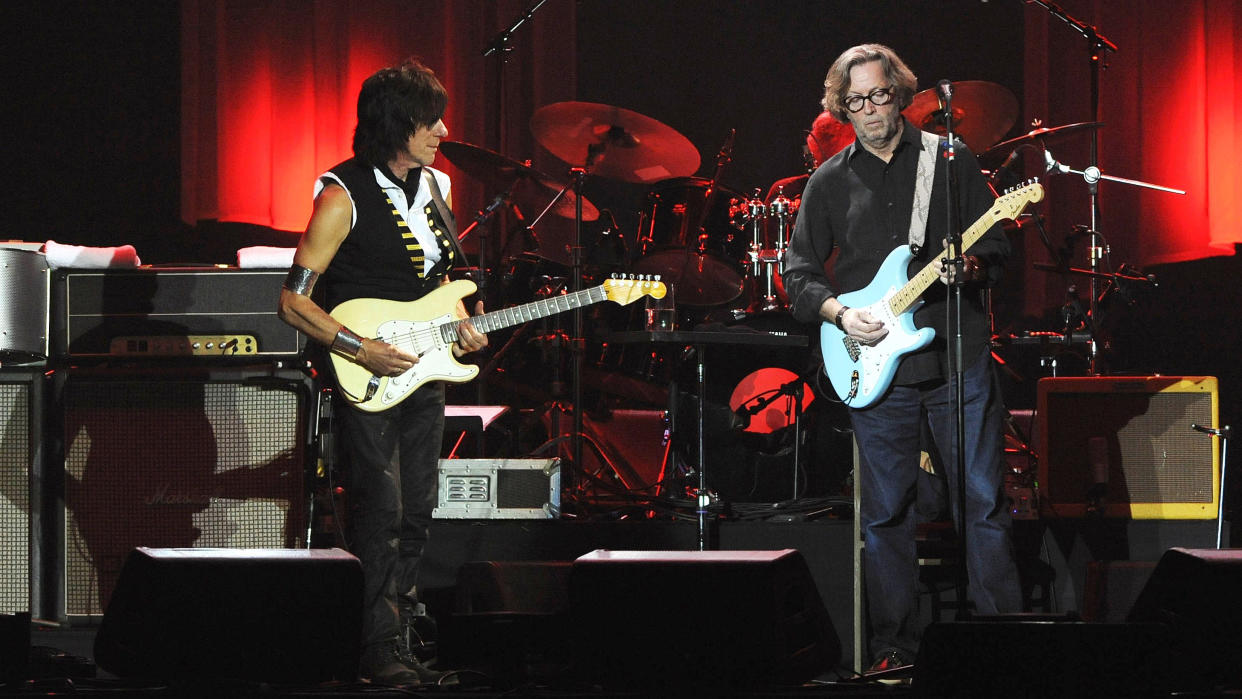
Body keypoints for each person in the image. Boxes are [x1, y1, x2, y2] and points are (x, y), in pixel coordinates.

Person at [783, 44, 1021, 672]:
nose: (869, 111)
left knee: (982, 501)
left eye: (879, 96)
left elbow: (994, 245)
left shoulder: (949, 159)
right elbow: (799, 272)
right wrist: (840, 313)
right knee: (886, 515)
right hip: (875, 364)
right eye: (855, 101)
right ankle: (895, 651)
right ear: (842, 108)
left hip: (955, 357)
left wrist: (968, 265)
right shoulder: (829, 180)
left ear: (901, 94)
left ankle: (1005, 645)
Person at [277, 59, 487, 687]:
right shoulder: (341, 195)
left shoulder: (439, 189)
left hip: (423, 368)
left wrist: (465, 320)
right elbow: (293, 299)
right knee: (382, 510)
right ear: (397, 125)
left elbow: (444, 284)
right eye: (431, 121)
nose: (444, 131)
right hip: (364, 371)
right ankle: (375, 650)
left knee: (419, 508)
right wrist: (358, 346)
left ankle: (402, 639)